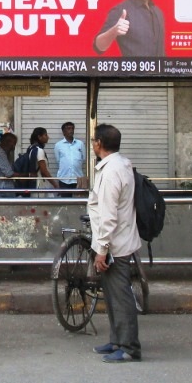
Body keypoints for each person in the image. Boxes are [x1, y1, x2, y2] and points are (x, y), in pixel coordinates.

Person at [87, 123, 142, 363]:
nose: (92, 144)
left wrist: (102, 250)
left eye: (93, 140)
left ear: (99, 143)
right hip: (119, 240)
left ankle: (129, 346)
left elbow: (108, 216)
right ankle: (117, 340)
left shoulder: (111, 172)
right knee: (111, 295)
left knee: (120, 297)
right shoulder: (120, 164)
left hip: (115, 245)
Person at [54, 121, 87, 194]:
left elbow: (83, 158)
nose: (71, 130)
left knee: (79, 202)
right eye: (68, 129)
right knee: (65, 202)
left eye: (72, 128)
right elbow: (58, 160)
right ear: (63, 132)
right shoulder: (58, 145)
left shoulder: (80, 144)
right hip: (64, 179)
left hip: (78, 178)